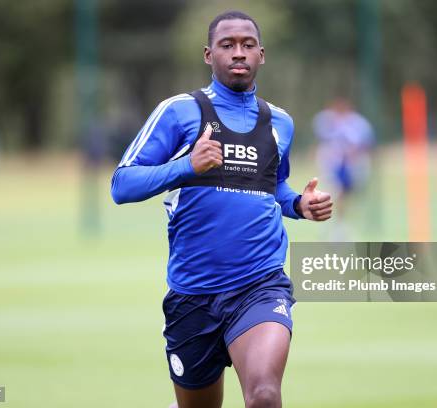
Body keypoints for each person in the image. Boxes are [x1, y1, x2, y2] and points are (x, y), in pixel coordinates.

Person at [110, 10, 332, 408]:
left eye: (247, 45)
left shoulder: (280, 122)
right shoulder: (179, 111)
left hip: (259, 285)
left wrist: (299, 204)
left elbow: (272, 186)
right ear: (208, 55)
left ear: (262, 55)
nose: (238, 53)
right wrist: (187, 166)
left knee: (264, 394)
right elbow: (121, 185)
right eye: (227, 45)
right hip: (192, 295)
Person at [312, 98, 374, 221]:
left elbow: (364, 144)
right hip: (335, 165)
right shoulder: (327, 120)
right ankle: (336, 223)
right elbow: (324, 142)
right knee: (335, 193)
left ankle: (341, 220)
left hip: (351, 165)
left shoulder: (357, 124)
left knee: (348, 194)